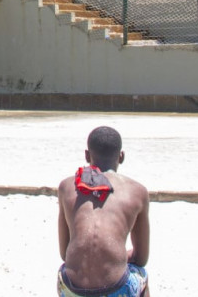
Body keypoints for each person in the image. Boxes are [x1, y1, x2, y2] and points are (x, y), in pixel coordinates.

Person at [57, 126, 150, 297]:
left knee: (64, 270)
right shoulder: (138, 191)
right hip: (116, 289)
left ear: (87, 155)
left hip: (73, 289)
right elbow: (141, 257)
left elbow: (65, 253)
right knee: (141, 274)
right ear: (121, 156)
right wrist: (118, 255)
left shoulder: (66, 186)